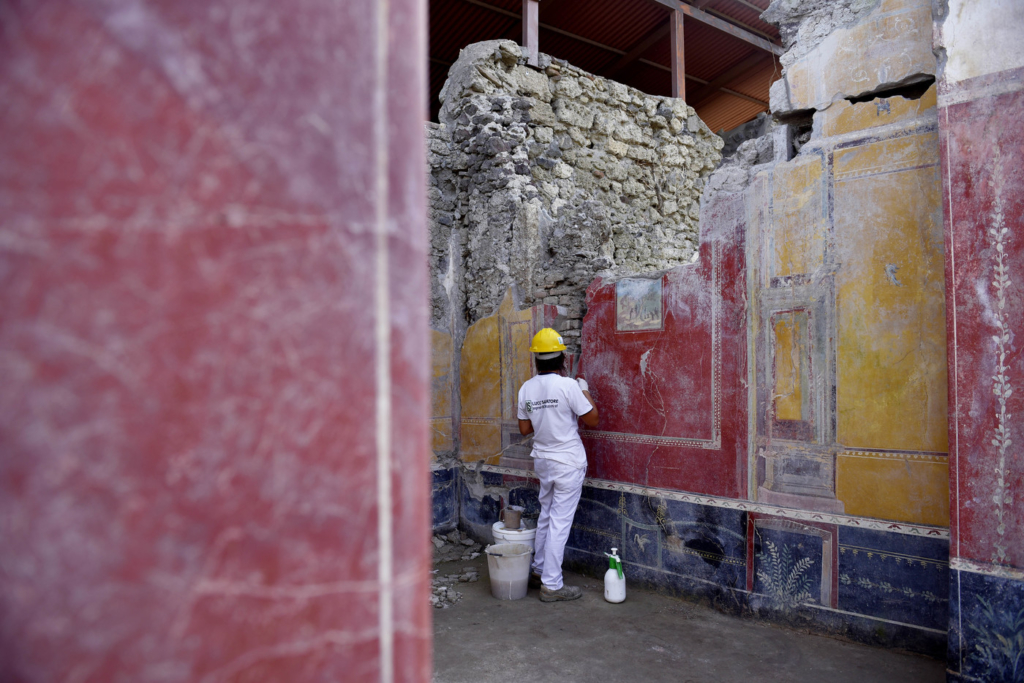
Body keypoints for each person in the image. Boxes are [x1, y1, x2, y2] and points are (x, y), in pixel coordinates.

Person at [517, 328, 598, 602]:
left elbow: (524, 428)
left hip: (544, 462)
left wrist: (543, 413)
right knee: (559, 523)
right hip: (567, 462)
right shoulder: (568, 386)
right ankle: (552, 585)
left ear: (536, 359)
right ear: (562, 358)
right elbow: (593, 419)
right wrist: (584, 391)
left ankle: (539, 570)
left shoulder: (526, 387)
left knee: (546, 516)